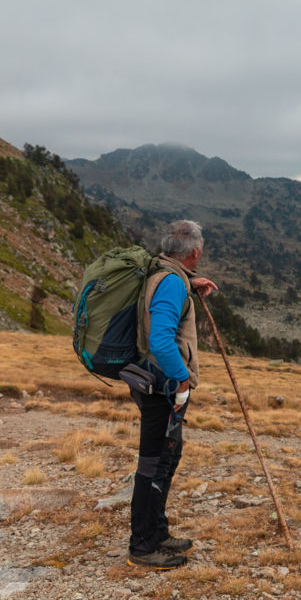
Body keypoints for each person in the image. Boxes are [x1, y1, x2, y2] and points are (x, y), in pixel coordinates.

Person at [127, 220, 218, 570]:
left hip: (156, 384)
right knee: (154, 463)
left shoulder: (165, 274)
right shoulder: (169, 283)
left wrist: (189, 285)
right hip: (162, 388)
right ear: (195, 251)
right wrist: (181, 380)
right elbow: (161, 341)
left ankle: (158, 533)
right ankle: (143, 546)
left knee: (166, 457)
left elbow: (161, 309)